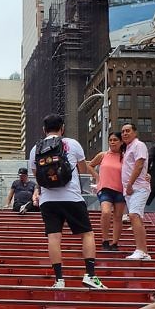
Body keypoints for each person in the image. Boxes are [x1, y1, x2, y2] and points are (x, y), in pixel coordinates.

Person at [29, 114, 106, 290]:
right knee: (87, 234)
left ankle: (59, 280)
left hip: (48, 200)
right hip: (72, 197)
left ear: (44, 130)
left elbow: (36, 174)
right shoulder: (72, 144)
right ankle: (91, 275)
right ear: (62, 128)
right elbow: (82, 169)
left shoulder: (36, 149)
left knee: (54, 237)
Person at [87, 133, 125, 251]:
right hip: (105, 189)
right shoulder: (103, 155)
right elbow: (90, 165)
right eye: (110, 140)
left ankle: (115, 243)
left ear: (121, 142)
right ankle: (105, 240)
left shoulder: (126, 157)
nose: (112, 142)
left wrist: (147, 175)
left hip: (120, 190)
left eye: (115, 140)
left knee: (118, 217)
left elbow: (136, 169)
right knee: (106, 212)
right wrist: (97, 177)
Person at [120, 122, 151, 261]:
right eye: (123, 132)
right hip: (131, 190)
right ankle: (143, 251)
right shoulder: (127, 148)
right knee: (136, 217)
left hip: (138, 187)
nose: (125, 133)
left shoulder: (139, 145)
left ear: (135, 132)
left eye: (128, 131)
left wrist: (130, 184)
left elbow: (139, 165)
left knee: (134, 216)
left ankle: (141, 251)